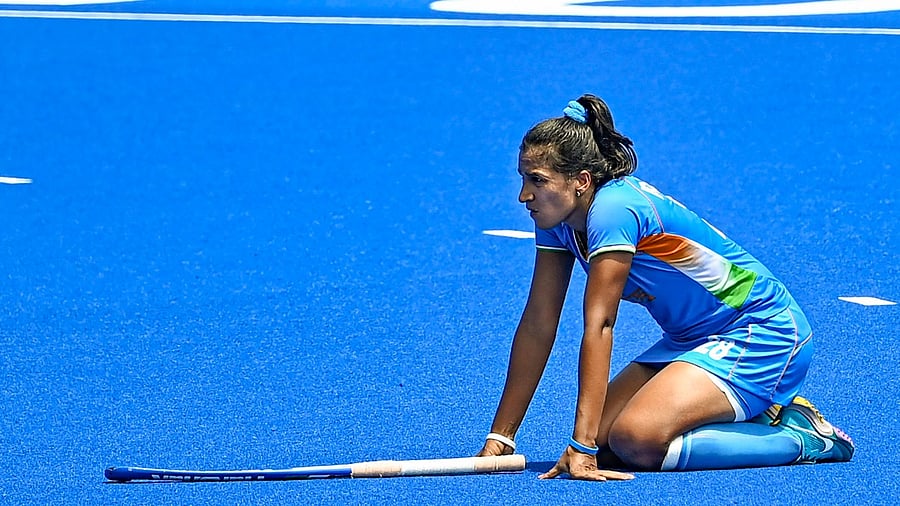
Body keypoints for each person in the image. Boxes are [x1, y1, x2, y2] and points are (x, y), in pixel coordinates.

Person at [475, 94, 854, 481]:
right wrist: (500, 437)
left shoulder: (613, 211)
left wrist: (582, 448)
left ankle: (801, 438)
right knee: (610, 442)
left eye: (537, 181)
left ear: (581, 181)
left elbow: (601, 325)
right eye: (523, 178)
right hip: (693, 339)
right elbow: (539, 322)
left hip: (761, 331)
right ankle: (749, 408)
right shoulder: (555, 216)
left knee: (637, 439)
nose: (524, 195)